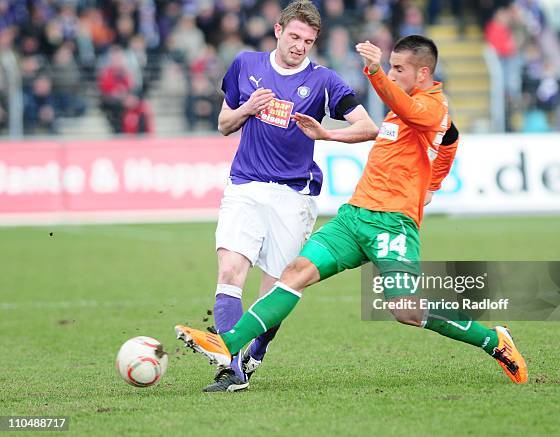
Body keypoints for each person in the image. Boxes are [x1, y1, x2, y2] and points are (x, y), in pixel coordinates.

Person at [176, 35, 528, 388]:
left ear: (423, 73)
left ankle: (494, 341)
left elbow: (436, 128)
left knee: (405, 309)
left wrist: (374, 71)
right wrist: (431, 183)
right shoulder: (409, 108)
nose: (391, 73)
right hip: (353, 216)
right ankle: (227, 345)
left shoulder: (430, 106)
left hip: (392, 225)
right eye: (389, 66)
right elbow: (450, 140)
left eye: (398, 68)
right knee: (295, 273)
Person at [201, 0, 379, 392]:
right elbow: (223, 123)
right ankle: (231, 369)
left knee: (277, 292)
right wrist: (248, 107)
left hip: (294, 196)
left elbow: (369, 127)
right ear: (278, 30)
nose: (300, 46)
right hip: (245, 185)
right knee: (230, 272)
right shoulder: (246, 65)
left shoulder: (324, 80)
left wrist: (327, 133)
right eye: (295, 36)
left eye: (309, 40)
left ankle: (256, 350)